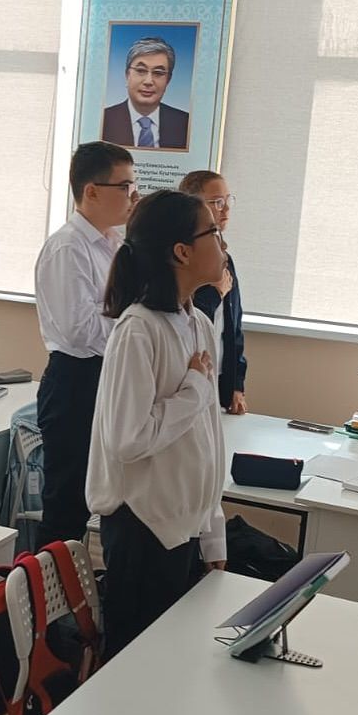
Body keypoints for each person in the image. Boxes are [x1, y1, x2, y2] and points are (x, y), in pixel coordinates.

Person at [86, 189, 228, 658]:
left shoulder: (198, 323)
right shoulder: (138, 329)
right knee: (134, 665)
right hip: (143, 529)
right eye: (213, 232)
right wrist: (193, 389)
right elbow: (128, 439)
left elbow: (208, 439)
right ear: (181, 252)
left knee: (173, 663)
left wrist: (213, 532)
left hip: (184, 526)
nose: (223, 242)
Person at [33, 141, 137, 546]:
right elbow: (80, 330)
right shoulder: (68, 247)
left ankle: (80, 580)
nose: (132, 195)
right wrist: (131, 325)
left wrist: (124, 319)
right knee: (67, 503)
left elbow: (111, 313)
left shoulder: (115, 244)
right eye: (124, 187)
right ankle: (46, 584)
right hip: (75, 381)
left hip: (106, 376)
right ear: (91, 191)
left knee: (107, 493)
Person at [179, 170, 247, 414]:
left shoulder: (226, 259)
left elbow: (234, 327)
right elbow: (185, 321)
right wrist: (216, 293)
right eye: (217, 202)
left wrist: (237, 385)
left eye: (228, 200)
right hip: (187, 374)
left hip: (218, 376)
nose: (225, 209)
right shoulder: (183, 259)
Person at [101, 36, 190, 150]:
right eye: (141, 71)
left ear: (168, 80)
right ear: (127, 75)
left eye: (158, 73)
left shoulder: (186, 124)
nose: (148, 81)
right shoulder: (103, 120)